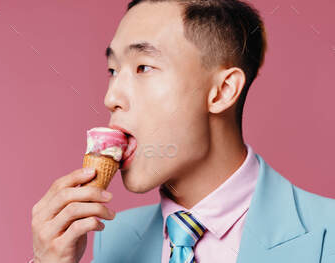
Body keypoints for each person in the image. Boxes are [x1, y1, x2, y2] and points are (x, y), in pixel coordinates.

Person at [31, 0, 335, 262]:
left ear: (222, 91)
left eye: (143, 68)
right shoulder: (106, 240)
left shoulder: (327, 233)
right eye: (113, 71)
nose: (111, 98)